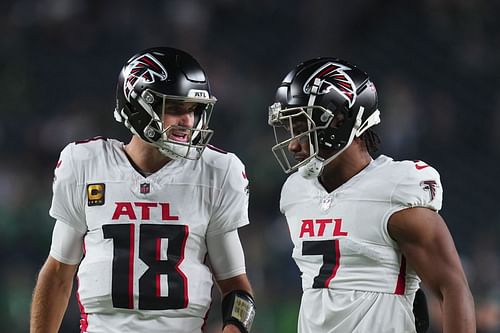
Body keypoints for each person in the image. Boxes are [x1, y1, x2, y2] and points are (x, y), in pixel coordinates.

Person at [30, 47, 256, 333]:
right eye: (174, 108)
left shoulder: (217, 172)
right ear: (136, 106)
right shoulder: (85, 164)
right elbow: (59, 273)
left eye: (193, 110)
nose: (187, 121)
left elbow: (239, 292)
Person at [267, 57, 475, 332]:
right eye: (290, 129)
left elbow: (452, 287)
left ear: (339, 120)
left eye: (302, 127)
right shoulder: (296, 192)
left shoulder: (394, 188)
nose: (293, 144)